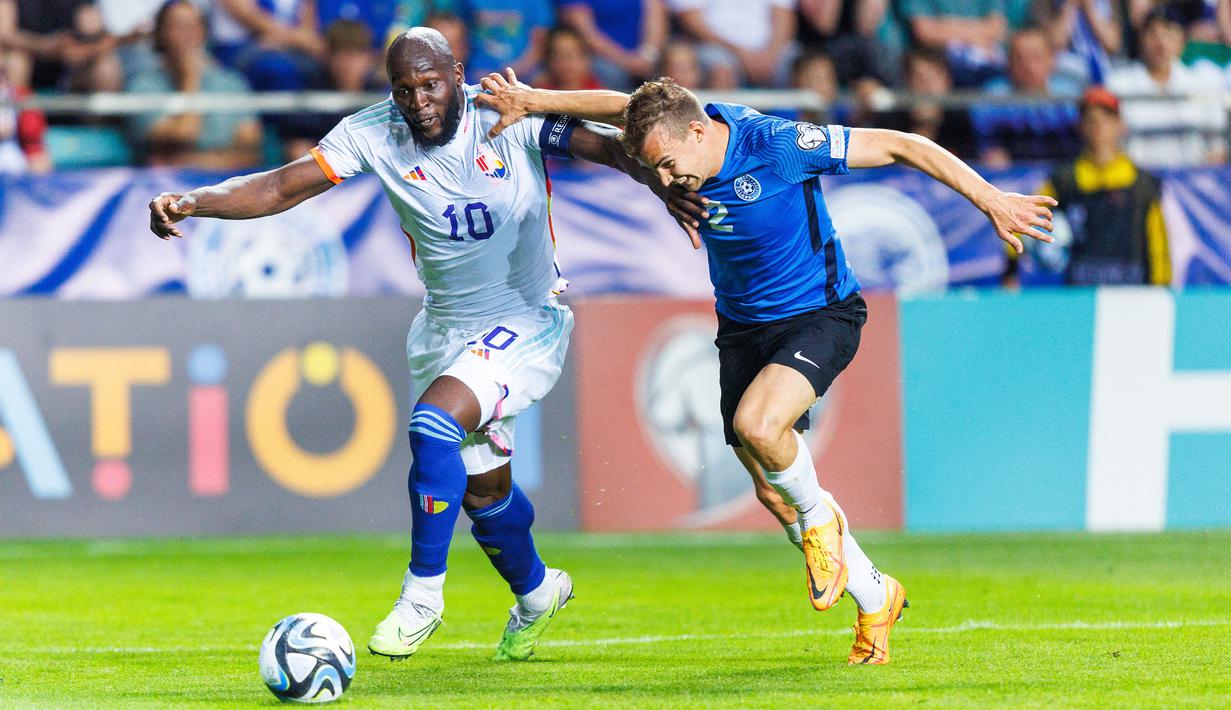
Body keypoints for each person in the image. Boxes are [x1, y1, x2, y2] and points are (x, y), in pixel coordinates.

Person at [147, 28, 692, 663]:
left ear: (456, 73)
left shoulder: (505, 113)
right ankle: (539, 590)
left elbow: (606, 147)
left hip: (526, 316)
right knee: (484, 491)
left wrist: (660, 181)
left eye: (430, 84)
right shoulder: (372, 132)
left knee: (433, 424)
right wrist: (192, 201)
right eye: (404, 90)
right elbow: (278, 187)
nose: (419, 101)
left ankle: (421, 597)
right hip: (443, 329)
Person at [475, 74, 1055, 665]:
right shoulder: (668, 126)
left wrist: (990, 197)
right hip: (742, 328)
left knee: (760, 427)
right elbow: (621, 109)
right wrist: (531, 102)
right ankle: (877, 595)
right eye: (660, 170)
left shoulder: (778, 144)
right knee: (771, 491)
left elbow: (905, 144)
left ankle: (819, 518)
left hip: (819, 314)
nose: (668, 179)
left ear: (699, 133)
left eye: (671, 166)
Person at [1003, 86, 1170, 286]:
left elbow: (1158, 244)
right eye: (1091, 120)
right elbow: (1024, 219)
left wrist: (1161, 288)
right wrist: (1010, 272)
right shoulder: (1064, 181)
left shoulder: (1143, 185)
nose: (1098, 127)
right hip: (1080, 294)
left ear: (1120, 125)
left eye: (1106, 119)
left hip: (1131, 292)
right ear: (1080, 126)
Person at [126, 0, 263, 169]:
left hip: (226, 185)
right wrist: (190, 79)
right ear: (160, 34)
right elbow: (185, 134)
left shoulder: (231, 82)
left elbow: (249, 153)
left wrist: (193, 161)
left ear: (203, 32)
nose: (187, 35)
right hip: (171, 189)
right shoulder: (142, 86)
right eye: (178, 27)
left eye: (193, 27)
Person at [1106, 6, 1228, 167]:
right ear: (1141, 38)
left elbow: (1217, 145)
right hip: (1137, 181)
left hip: (1193, 178)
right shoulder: (1118, 83)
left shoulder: (1202, 81)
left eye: (1170, 35)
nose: (1161, 43)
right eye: (1154, 34)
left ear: (1182, 42)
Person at [973, 28, 1082, 167]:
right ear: (1009, 63)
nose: (1029, 66)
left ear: (1052, 60)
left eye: (1037, 58)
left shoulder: (1071, 95)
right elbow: (988, 145)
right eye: (1020, 59)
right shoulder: (992, 97)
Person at [669, 0, 798, 88]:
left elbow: (784, 15)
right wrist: (742, 54)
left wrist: (771, 54)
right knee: (720, 69)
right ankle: (722, 125)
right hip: (714, 45)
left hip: (771, 48)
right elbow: (691, 19)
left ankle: (799, 127)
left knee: (809, 70)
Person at [558, 0, 667, 90]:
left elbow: (656, 14)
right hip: (602, 56)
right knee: (609, 72)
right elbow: (588, 33)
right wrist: (628, 62)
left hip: (645, 54)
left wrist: (648, 55)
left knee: (676, 62)